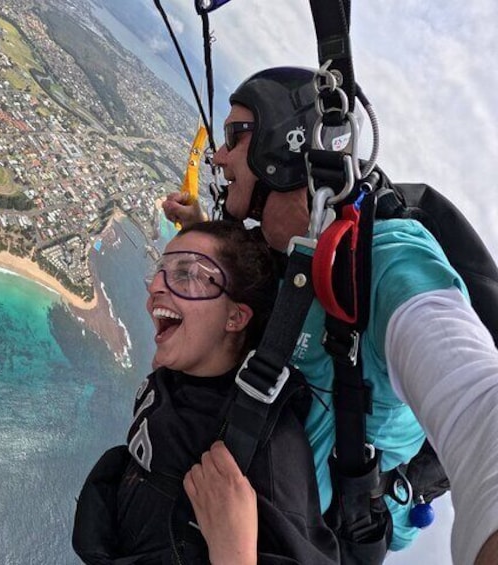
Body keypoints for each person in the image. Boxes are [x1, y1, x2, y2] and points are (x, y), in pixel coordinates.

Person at [163, 67, 498, 565]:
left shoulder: (387, 260)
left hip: (304, 541)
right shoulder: (281, 252)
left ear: (284, 145)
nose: (218, 155)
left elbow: (476, 402)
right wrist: (199, 236)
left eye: (236, 135)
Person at [72, 220, 339, 564]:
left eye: (186, 274)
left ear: (236, 317)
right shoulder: (173, 380)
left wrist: (234, 556)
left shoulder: (268, 451)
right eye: (160, 271)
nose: (155, 286)